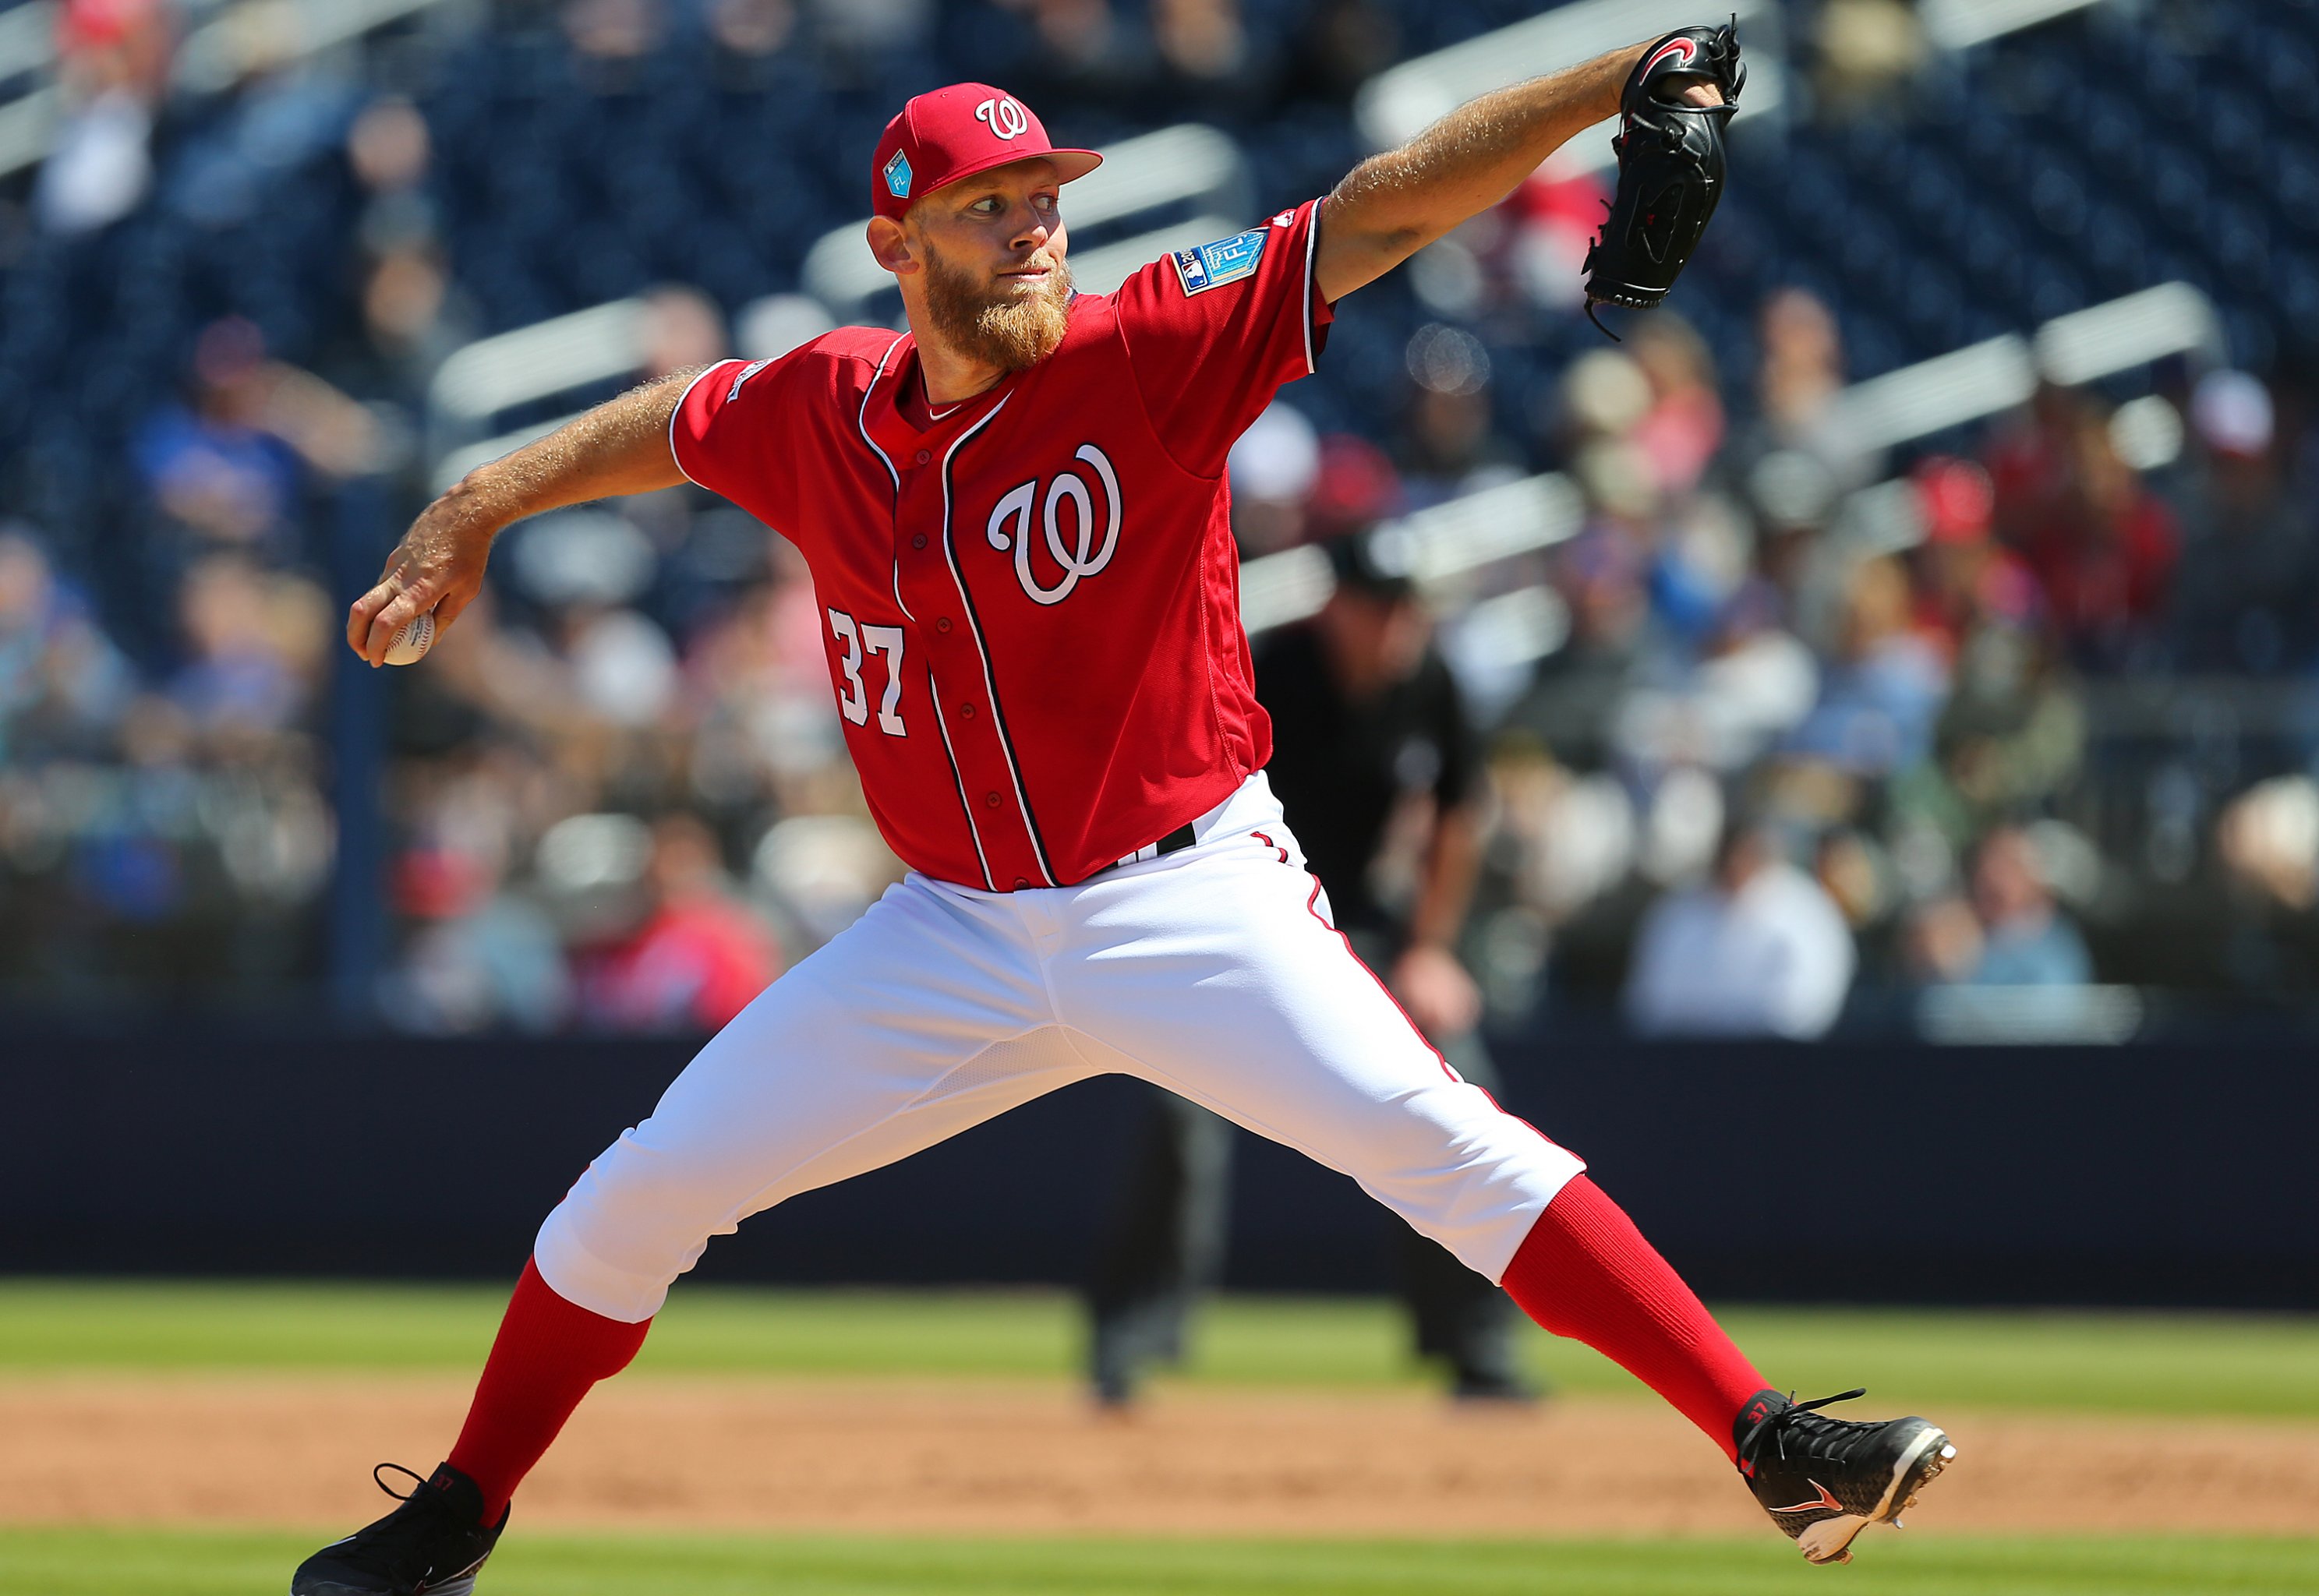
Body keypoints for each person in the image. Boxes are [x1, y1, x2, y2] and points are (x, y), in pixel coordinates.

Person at [295, 47, 1954, 1596]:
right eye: (985, 209)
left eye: (1042, 198)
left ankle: (1767, 1438)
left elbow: (1376, 205)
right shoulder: (820, 405)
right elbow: (662, 422)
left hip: (1186, 896)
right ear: (898, 244)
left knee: (1440, 1144)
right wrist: (472, 507)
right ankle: (457, 1514)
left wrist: (1612, 81)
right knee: (632, 1198)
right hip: (946, 929)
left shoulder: (1149, 351)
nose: (1032, 231)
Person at [1085, 530, 1534, 1405]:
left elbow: (1456, 815)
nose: (1396, 622)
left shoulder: (1427, 679)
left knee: (1456, 1095)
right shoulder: (1267, 672)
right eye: (1378, 603)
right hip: (1235, 923)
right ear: (1334, 603)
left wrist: (1432, 946)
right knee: (1179, 1120)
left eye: (1408, 604)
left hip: (1356, 926)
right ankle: (1128, 1341)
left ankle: (1473, 1345)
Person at [1624, 818, 1858, 1040]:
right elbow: (1651, 1001)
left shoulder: (1805, 910)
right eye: (1729, 855)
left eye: (1745, 855)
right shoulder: (1677, 911)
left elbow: (1807, 1003)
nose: (1735, 864)